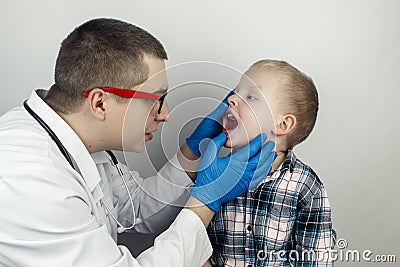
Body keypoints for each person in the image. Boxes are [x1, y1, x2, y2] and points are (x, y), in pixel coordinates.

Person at [0, 19, 277, 267]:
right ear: (99, 103)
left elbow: (140, 208)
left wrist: (191, 153)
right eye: (156, 100)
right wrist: (206, 202)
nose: (166, 114)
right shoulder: (30, 180)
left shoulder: (77, 138)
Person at [205, 60, 336, 266]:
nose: (231, 100)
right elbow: (193, 243)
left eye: (250, 96)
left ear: (282, 124)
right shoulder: (212, 174)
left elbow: (316, 258)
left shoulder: (305, 185)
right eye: (236, 92)